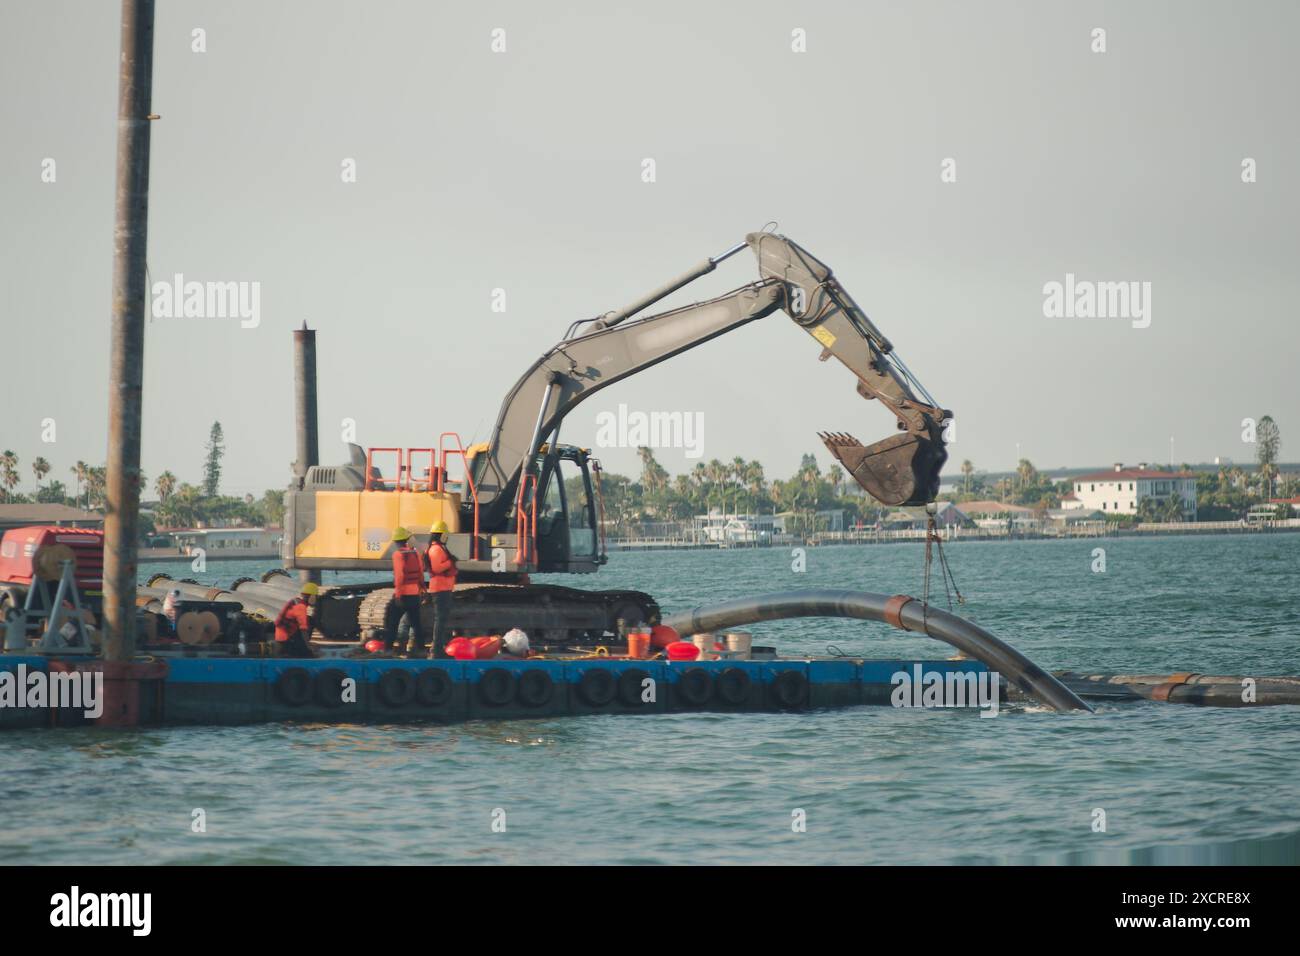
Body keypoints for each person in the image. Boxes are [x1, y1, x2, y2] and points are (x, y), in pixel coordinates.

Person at [424, 520, 458, 659]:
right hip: (440, 589)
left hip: (443, 587)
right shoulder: (436, 549)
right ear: (442, 535)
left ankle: (438, 648)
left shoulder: (436, 548)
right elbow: (437, 568)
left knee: (442, 619)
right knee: (440, 619)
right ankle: (436, 649)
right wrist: (451, 561)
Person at [390, 526, 427, 656]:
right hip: (414, 594)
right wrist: (422, 589)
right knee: (416, 623)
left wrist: (398, 595)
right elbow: (421, 573)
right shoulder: (415, 553)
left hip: (403, 594)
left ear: (395, 542)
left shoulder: (397, 555)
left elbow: (399, 576)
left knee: (392, 621)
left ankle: (389, 648)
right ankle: (421, 648)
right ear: (406, 539)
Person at [274, 582, 318, 658]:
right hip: (287, 640)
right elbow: (303, 630)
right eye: (316, 596)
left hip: (281, 637)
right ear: (312, 597)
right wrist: (309, 647)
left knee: (309, 619)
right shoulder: (301, 607)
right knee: (309, 656)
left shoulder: (295, 601)